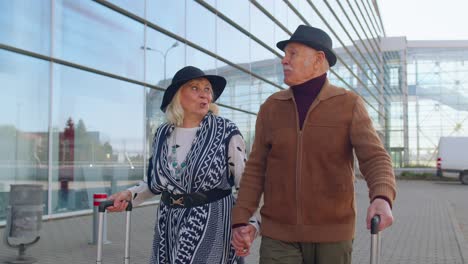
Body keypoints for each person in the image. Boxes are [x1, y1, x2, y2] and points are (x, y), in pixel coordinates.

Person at [231, 25, 397, 264]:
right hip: (278, 234)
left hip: (332, 235)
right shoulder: (271, 107)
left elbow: (374, 157)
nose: (284, 60)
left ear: (319, 59)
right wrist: (241, 219)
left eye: (292, 53)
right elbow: (256, 168)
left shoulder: (348, 104)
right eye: (284, 54)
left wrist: (382, 197)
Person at [107, 66, 259, 264]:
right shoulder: (162, 134)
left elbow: (246, 184)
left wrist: (249, 224)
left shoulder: (225, 131)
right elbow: (156, 182)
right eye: (195, 88)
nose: (204, 94)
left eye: (207, 89)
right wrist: (129, 196)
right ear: (178, 96)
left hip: (212, 221)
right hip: (168, 221)